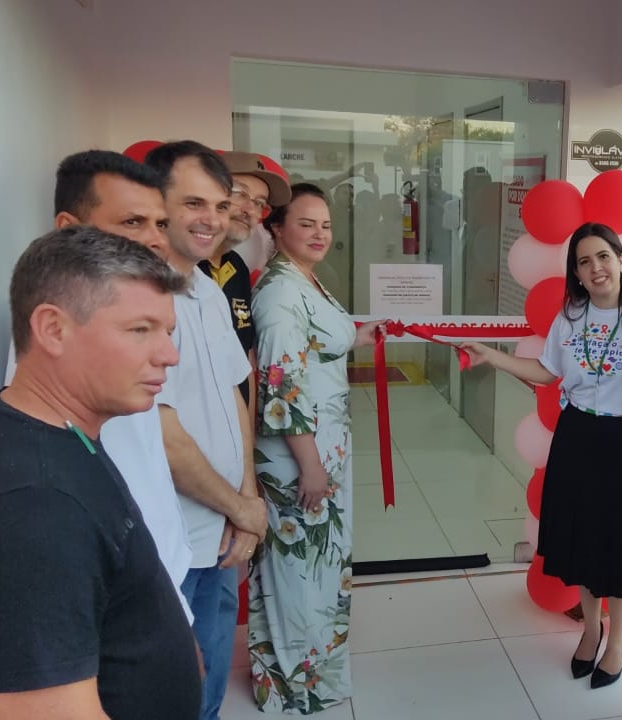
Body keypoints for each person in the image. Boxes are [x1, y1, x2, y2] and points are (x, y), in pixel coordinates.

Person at [0, 227, 199, 719]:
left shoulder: (53, 432)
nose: (169, 355)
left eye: (168, 332)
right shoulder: (32, 506)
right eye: (140, 330)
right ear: (52, 328)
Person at [2, 149, 195, 623]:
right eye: (132, 222)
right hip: (128, 605)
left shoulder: (117, 343)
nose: (154, 240)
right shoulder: (64, 361)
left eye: (159, 224)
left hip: (164, 574)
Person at [463, 222, 622, 689]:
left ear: (621, 258)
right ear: (576, 272)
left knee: (620, 541)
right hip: (578, 437)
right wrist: (494, 356)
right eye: (585, 261)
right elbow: (547, 372)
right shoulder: (571, 316)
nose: (596, 268)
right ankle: (591, 631)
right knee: (583, 538)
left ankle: (618, 640)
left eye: (603, 256)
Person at [246, 183, 384, 713]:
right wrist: (309, 469)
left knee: (317, 567)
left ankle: (312, 674)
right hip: (297, 457)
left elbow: (316, 347)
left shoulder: (304, 279)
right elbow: (282, 391)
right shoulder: (280, 291)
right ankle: (294, 686)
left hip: (320, 450)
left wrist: (359, 335)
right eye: (306, 224)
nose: (320, 233)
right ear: (277, 228)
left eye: (325, 224)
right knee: (298, 571)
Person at [144, 140, 266, 720]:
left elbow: (234, 396)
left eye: (220, 205)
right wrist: (238, 508)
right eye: (195, 202)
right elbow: (159, 431)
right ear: (154, 203)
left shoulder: (209, 290)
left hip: (222, 528)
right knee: (169, 687)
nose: (212, 219)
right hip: (169, 541)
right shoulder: (139, 298)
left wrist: (246, 495)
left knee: (211, 679)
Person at [202, 152, 292, 434]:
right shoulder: (178, 271)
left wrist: (247, 445)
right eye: (240, 193)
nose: (249, 210)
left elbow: (242, 361)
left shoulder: (235, 268)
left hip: (232, 434)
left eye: (259, 204)